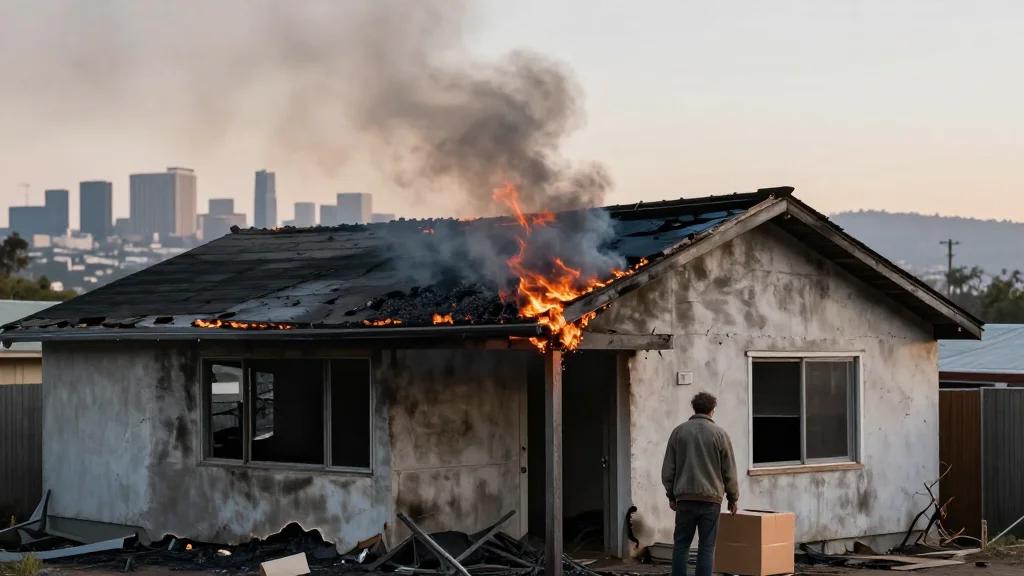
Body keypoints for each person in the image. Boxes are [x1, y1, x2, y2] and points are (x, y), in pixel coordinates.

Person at [661, 392, 739, 576]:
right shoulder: (720, 434)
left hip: (685, 500)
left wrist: (671, 496)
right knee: (706, 547)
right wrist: (733, 498)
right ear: (712, 410)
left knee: (681, 545)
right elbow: (729, 471)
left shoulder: (679, 432)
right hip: (711, 500)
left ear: (694, 408)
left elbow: (668, 470)